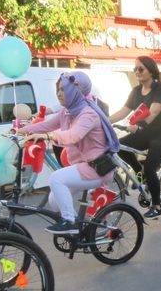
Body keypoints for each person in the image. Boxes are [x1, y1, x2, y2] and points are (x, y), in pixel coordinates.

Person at [19, 71, 120, 232]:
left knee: (56, 178)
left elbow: (73, 135)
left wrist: (47, 136)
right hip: (83, 167)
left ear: (76, 91)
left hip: (97, 169)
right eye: (58, 89)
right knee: (54, 199)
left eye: (63, 89)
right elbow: (46, 125)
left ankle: (70, 222)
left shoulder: (88, 114)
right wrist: (21, 131)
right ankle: (80, 229)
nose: (59, 94)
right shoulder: (67, 112)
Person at [109, 56, 161, 219]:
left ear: (151, 70)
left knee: (150, 168)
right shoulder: (136, 91)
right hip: (147, 134)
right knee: (119, 147)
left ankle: (157, 205)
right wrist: (102, 121)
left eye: (141, 69)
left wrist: (140, 126)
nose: (137, 72)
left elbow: (153, 112)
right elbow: (122, 112)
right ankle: (138, 170)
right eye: (135, 69)